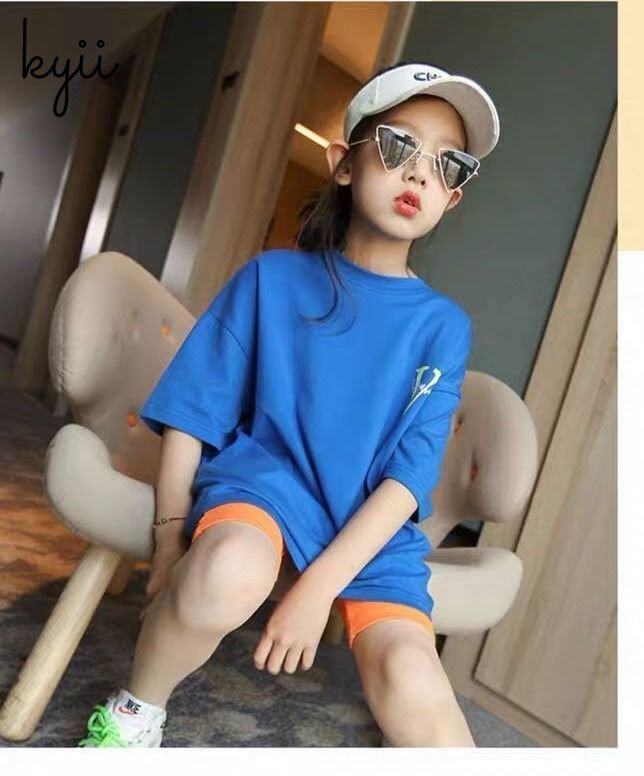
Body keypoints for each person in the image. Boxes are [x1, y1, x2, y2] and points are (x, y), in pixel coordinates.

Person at [76, 60, 500, 748]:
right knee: (226, 571)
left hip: (369, 531)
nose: (420, 174)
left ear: (451, 199)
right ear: (343, 164)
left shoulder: (442, 327)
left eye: (447, 164)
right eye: (399, 145)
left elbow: (408, 476)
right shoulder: (270, 280)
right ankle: (134, 715)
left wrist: (318, 588)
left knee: (413, 680)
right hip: (266, 493)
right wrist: (169, 537)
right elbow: (192, 411)